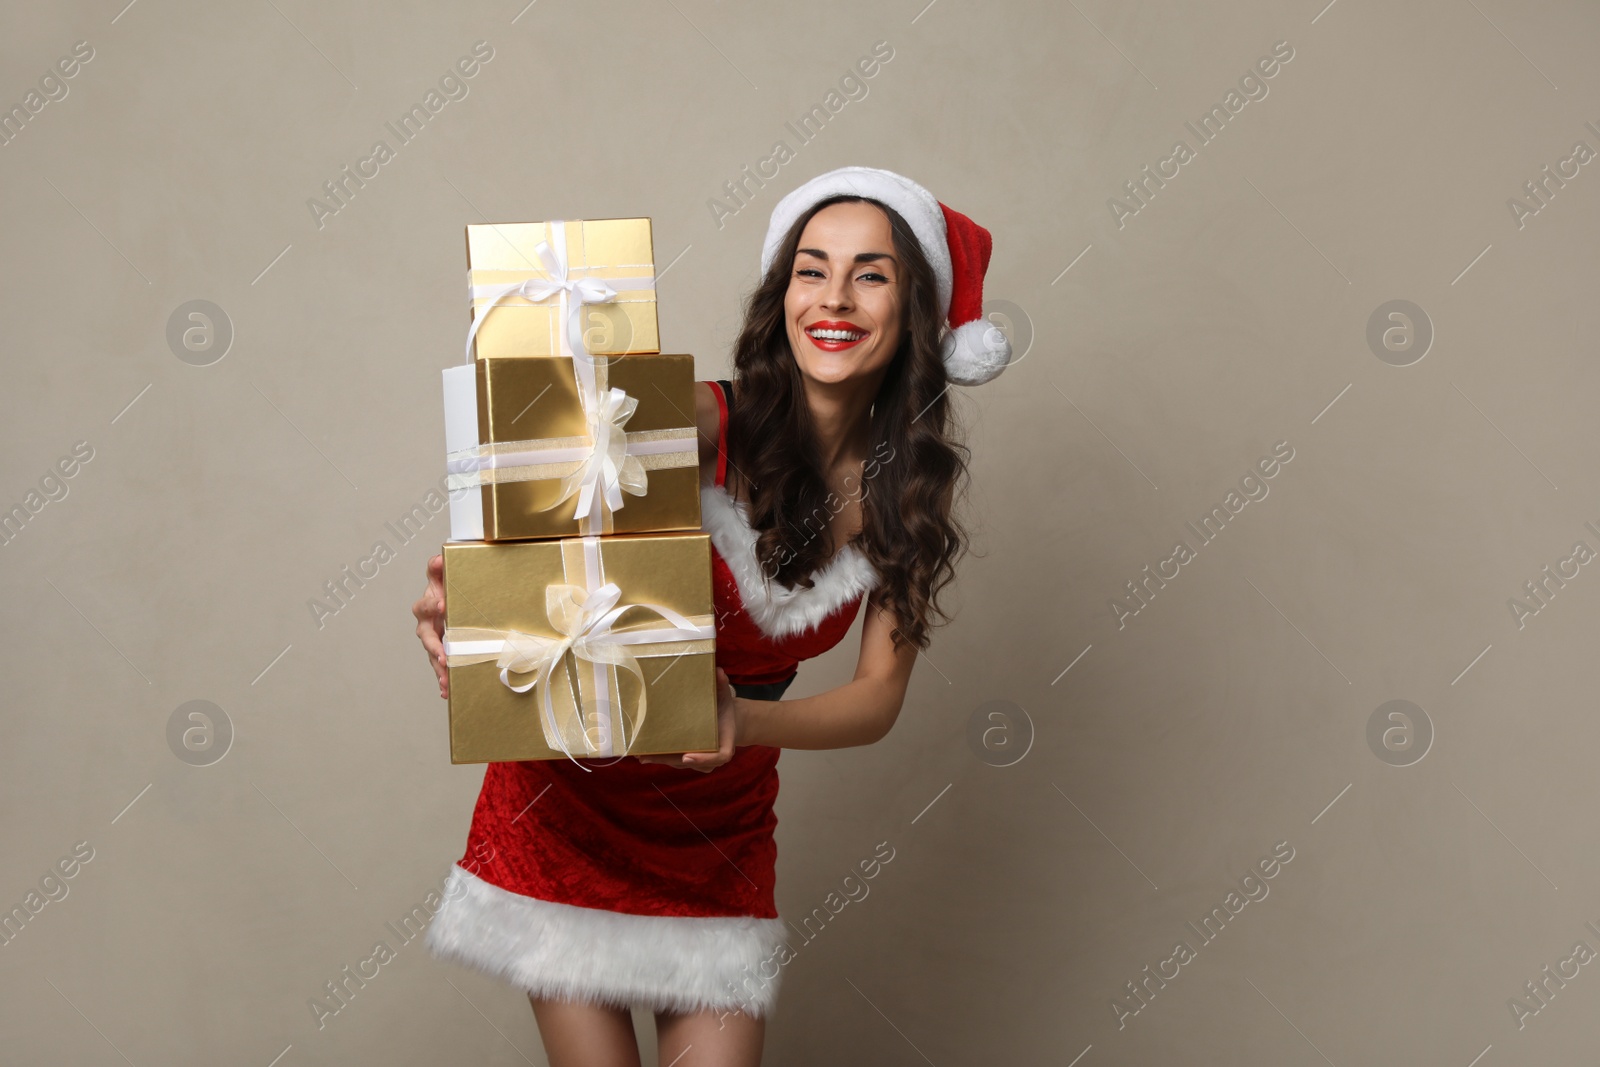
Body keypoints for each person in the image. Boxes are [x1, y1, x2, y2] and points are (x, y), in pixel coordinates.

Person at [411, 165, 1012, 1067]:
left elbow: (877, 696)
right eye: (812, 270)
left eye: (872, 274)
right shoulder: (701, 419)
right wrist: (474, 595)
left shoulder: (912, 492)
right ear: (783, 295)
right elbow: (543, 445)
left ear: (918, 311)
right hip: (570, 797)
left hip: (717, 831)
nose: (835, 297)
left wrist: (742, 719)